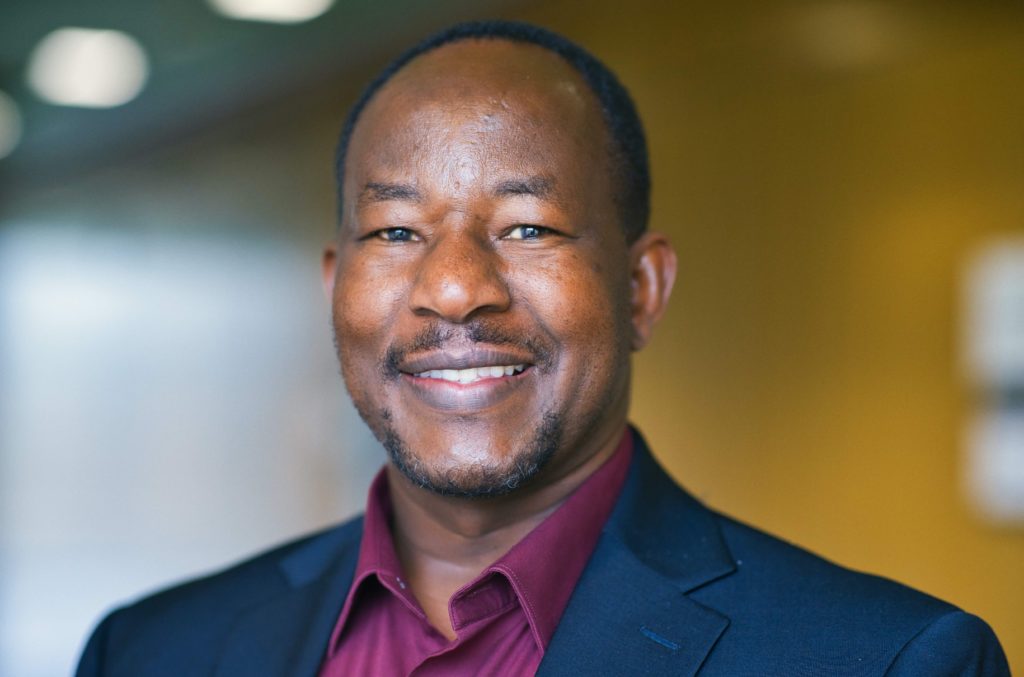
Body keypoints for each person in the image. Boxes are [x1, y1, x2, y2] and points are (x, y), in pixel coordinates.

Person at [76, 20, 1010, 676]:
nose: (452, 288)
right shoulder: (151, 651)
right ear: (335, 289)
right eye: (396, 233)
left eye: (527, 228)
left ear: (640, 290)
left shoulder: (886, 661)